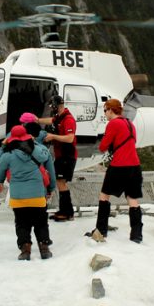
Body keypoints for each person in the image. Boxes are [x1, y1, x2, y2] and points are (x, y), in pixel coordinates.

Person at [0, 125, 56, 260]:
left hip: (18, 198)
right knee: (41, 222)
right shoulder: (37, 151)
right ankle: (44, 248)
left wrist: (2, 146)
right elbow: (46, 155)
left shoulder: (7, 156)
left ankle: (25, 250)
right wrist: (33, 142)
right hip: (38, 196)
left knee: (22, 223)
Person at [89, 98, 143, 243]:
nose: (105, 113)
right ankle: (136, 234)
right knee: (132, 199)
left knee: (104, 195)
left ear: (111, 110)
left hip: (119, 165)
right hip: (135, 166)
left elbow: (102, 147)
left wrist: (106, 141)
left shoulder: (113, 124)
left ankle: (101, 230)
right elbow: (132, 142)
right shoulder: (130, 124)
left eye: (105, 110)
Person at [38, 94, 77, 221]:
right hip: (61, 155)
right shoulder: (59, 117)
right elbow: (50, 120)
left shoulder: (68, 119)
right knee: (59, 181)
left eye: (52, 107)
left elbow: (70, 138)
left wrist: (53, 136)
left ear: (57, 106)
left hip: (67, 155)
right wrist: (37, 120)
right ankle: (65, 210)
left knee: (61, 182)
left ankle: (67, 212)